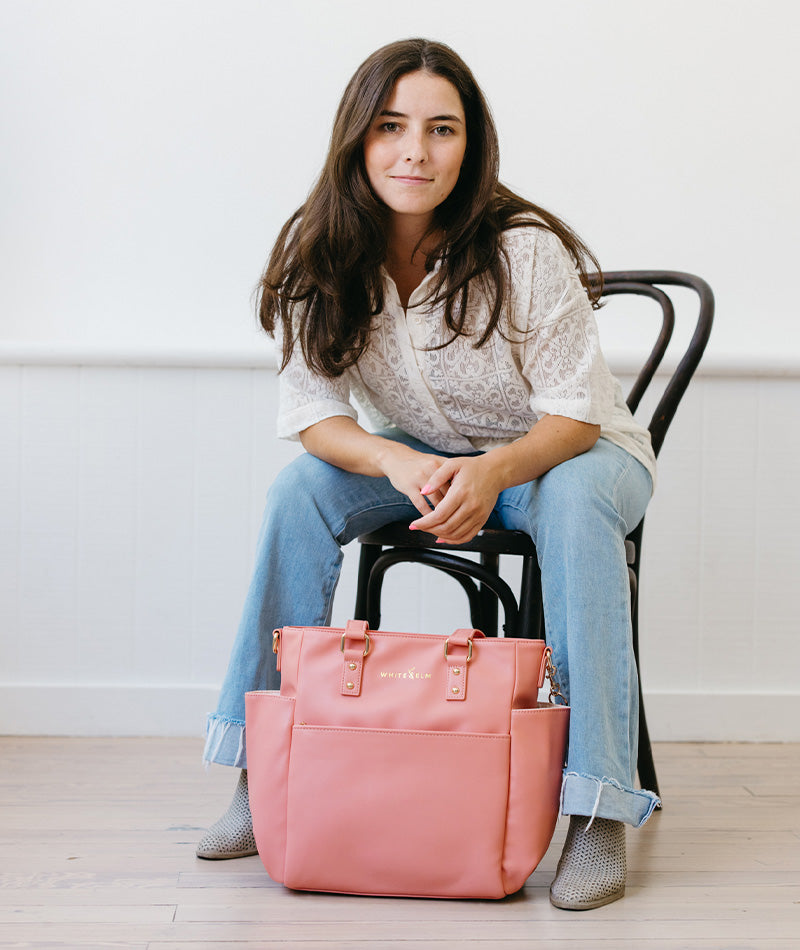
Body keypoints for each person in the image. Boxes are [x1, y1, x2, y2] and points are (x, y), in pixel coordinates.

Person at [196, 38, 660, 910]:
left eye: (441, 129)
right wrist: (396, 458)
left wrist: (495, 473)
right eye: (391, 127)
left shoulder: (524, 249)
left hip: (568, 457)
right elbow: (312, 412)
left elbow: (575, 415)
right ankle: (263, 774)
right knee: (297, 492)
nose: (416, 151)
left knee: (572, 497)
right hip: (420, 461)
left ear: (471, 144)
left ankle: (598, 807)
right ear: (357, 141)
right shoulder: (322, 250)